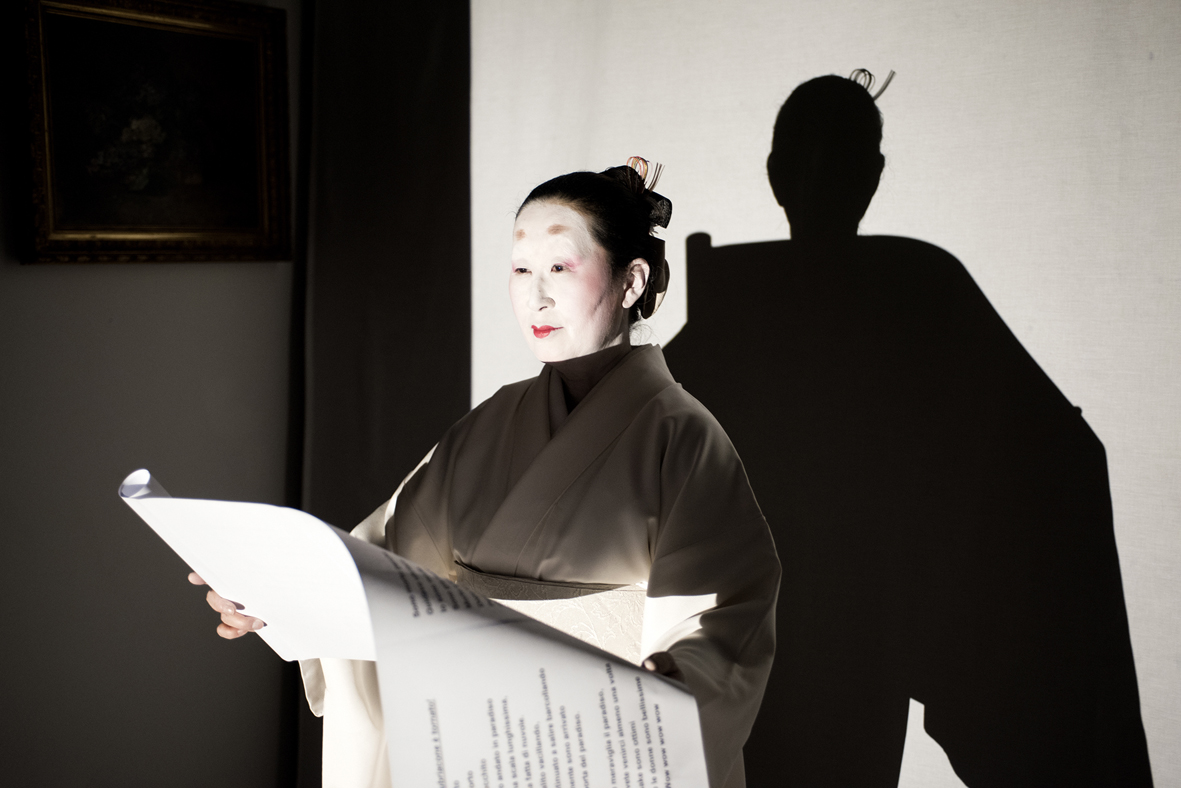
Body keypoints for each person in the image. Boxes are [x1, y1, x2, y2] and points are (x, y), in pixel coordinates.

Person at [193, 159, 780, 788]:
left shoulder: (683, 438)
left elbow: (720, 626)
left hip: (594, 747)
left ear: (632, 280)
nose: (536, 295)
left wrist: (652, 709)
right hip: (475, 740)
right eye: (522, 269)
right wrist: (270, 594)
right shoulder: (496, 420)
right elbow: (380, 565)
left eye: (560, 268)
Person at [662, 73, 1153, 786]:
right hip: (805, 632)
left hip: (839, 630)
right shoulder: (914, 290)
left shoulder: (909, 292)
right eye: (816, 158)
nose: (824, 176)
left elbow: (1050, 450)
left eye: (838, 158)